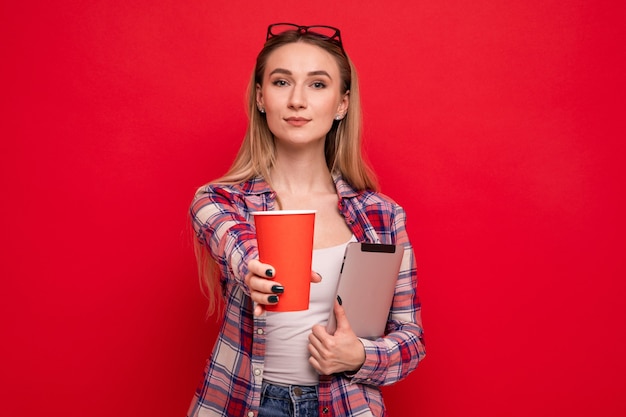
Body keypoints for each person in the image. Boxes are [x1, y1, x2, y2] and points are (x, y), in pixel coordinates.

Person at [187, 23, 425, 417]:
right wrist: (256, 272)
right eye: (282, 83)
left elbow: (411, 340)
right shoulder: (220, 200)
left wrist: (359, 355)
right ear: (261, 98)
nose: (298, 100)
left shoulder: (381, 215)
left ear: (342, 104)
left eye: (317, 85)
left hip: (346, 406)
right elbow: (237, 244)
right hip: (247, 402)